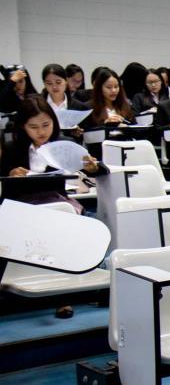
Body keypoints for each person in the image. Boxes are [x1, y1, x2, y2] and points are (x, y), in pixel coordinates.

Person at [1, 95, 103, 318]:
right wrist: (11, 173)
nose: (41, 132)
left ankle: (63, 294)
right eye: (33, 127)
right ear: (22, 127)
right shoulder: (12, 148)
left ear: (54, 123)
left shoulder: (64, 145)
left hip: (57, 200)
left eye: (46, 125)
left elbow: (94, 170)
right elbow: (4, 184)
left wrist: (93, 167)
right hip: (23, 203)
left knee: (69, 218)